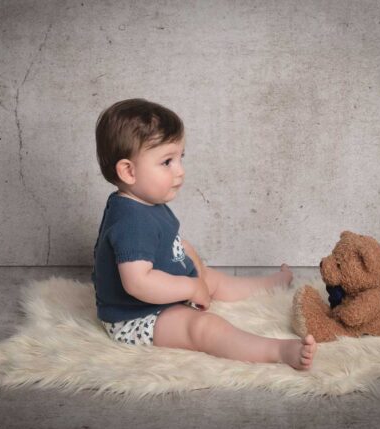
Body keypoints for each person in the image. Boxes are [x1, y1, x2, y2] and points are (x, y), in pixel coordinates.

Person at [91, 98, 316, 370]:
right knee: (202, 328)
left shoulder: (146, 202)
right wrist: (191, 287)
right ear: (129, 171)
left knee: (212, 278)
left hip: (166, 290)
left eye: (180, 158)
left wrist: (194, 264)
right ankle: (278, 350)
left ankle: (271, 284)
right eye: (167, 162)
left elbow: (169, 243)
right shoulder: (131, 221)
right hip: (137, 316)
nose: (180, 171)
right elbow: (138, 283)